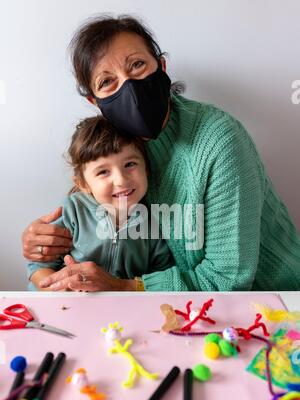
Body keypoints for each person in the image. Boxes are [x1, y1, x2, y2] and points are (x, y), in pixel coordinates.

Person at [22, 15, 300, 292]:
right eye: (107, 82)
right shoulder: (114, 145)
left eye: (137, 65)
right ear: (96, 102)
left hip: (273, 300)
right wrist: (42, 241)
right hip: (176, 308)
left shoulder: (219, 141)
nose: (128, 86)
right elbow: (85, 206)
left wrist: (122, 287)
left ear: (162, 67)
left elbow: (228, 280)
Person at [28, 116, 173, 291]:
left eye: (130, 164)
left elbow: (161, 275)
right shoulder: (73, 211)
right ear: (83, 184)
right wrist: (57, 289)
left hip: (124, 308)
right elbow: (39, 266)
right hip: (71, 305)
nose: (120, 180)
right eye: (103, 171)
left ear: (146, 168)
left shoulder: (154, 219)